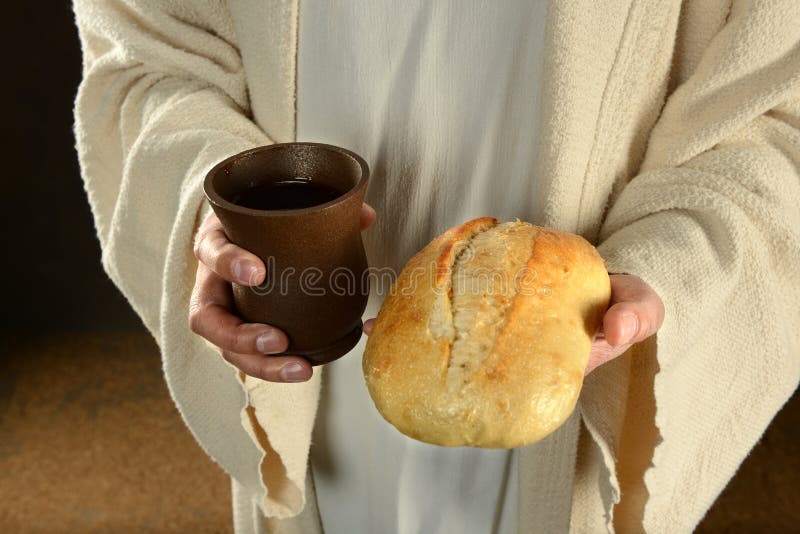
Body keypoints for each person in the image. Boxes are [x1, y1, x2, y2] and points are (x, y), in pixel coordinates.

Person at [73, 1, 800, 532]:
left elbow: (774, 109)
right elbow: (148, 60)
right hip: (321, 381)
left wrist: (670, 260)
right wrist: (224, 205)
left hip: (576, 375)